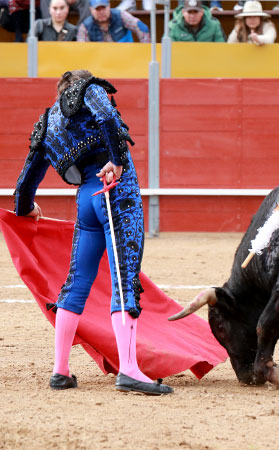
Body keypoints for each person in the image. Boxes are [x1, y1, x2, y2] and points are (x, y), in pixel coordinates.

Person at [14, 70, 173, 395]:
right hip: (114, 191)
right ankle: (129, 371)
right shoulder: (89, 91)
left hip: (86, 199)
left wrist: (25, 207)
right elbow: (108, 120)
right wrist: (116, 161)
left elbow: (25, 182)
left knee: (77, 280)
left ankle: (61, 371)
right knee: (125, 277)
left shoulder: (46, 123)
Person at [77, 0, 149, 42]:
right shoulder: (85, 27)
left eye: (104, 8)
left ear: (109, 6)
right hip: (100, 61)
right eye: (97, 9)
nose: (101, 12)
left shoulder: (121, 15)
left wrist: (145, 50)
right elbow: (82, 48)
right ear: (91, 10)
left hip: (126, 57)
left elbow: (141, 28)